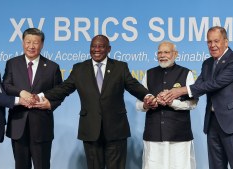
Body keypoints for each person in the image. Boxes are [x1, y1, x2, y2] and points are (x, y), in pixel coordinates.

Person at [34, 35, 157, 169]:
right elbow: (64, 88)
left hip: (116, 130)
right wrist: (41, 96)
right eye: (93, 46)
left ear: (109, 49)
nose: (96, 49)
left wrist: (147, 95)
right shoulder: (79, 69)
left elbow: (133, 85)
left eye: (101, 46)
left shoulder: (120, 67)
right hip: (90, 129)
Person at [163, 26, 233, 169]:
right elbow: (198, 86)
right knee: (216, 165)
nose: (212, 45)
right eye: (209, 42)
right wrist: (170, 96)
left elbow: (216, 83)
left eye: (216, 41)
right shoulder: (207, 63)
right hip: (212, 122)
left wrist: (180, 90)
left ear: (226, 42)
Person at [2, 28, 63, 169]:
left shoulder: (52, 67)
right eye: (28, 42)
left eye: (35, 42)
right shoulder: (12, 63)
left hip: (42, 126)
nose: (31, 46)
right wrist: (20, 92)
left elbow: (58, 92)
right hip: (18, 124)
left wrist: (50, 105)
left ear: (42, 45)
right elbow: (5, 85)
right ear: (23, 43)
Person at [136, 41, 198, 169]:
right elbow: (138, 104)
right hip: (153, 135)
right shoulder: (149, 74)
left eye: (166, 52)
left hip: (179, 135)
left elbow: (193, 104)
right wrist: (148, 104)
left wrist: (172, 102)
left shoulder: (186, 73)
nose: (162, 55)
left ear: (175, 54)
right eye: (159, 52)